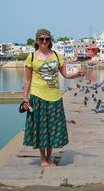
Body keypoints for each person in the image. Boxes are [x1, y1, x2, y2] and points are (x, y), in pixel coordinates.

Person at [22, 29, 84, 167]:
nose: (44, 42)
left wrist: (77, 75)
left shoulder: (56, 55)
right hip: (37, 97)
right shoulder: (31, 57)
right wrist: (25, 99)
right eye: (41, 39)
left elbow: (66, 75)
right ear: (37, 40)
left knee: (52, 129)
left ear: (50, 41)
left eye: (47, 39)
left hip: (55, 97)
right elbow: (27, 80)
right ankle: (43, 159)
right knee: (41, 128)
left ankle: (49, 158)